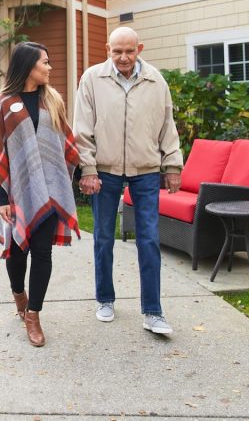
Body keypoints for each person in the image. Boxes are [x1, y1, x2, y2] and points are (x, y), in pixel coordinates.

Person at [0, 41, 81, 347]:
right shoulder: (4, 102)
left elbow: (65, 144)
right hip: (15, 193)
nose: (49, 67)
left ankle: (33, 315)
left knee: (43, 253)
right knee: (18, 253)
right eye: (44, 62)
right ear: (28, 65)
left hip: (50, 192)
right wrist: (2, 198)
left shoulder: (52, 100)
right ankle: (19, 294)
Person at [73, 26, 183, 335]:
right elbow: (82, 128)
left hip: (146, 170)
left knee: (148, 239)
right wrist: (89, 169)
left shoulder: (155, 80)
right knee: (104, 237)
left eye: (129, 51)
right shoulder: (92, 79)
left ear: (140, 49)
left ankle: (153, 311)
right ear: (107, 49)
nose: (123, 57)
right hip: (104, 170)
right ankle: (105, 299)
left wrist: (172, 164)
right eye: (116, 51)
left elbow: (167, 124)